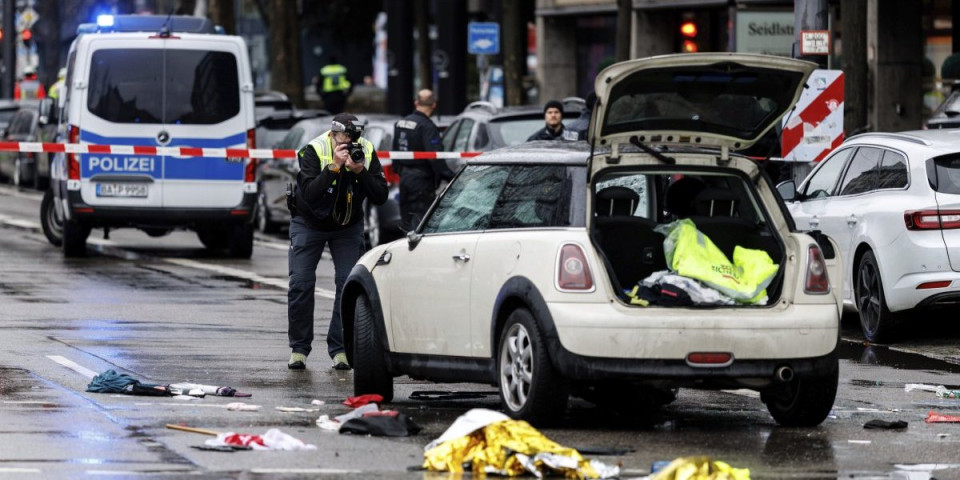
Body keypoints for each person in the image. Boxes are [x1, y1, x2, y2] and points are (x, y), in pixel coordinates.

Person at [287, 113, 388, 370]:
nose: (350, 142)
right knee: (301, 283)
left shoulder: (364, 150)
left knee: (348, 284)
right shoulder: (314, 149)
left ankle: (340, 348)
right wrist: (333, 167)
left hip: (347, 226)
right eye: (345, 137)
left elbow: (381, 195)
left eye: (355, 137)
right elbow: (309, 193)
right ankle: (299, 349)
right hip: (309, 223)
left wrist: (360, 171)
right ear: (333, 135)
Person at [392, 89, 455, 230]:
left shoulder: (400, 123)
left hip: (405, 179)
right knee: (421, 223)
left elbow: (394, 152)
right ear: (433, 105)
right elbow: (435, 157)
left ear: (416, 103)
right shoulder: (427, 126)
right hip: (421, 181)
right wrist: (451, 176)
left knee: (407, 222)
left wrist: (401, 172)